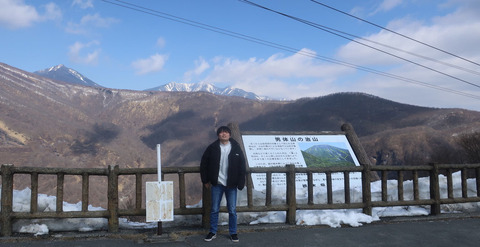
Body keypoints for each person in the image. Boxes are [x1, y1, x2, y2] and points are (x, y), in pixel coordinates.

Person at [200, 125, 246, 243]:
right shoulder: (212, 147)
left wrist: (241, 182)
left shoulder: (236, 148)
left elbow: (242, 166)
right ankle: (212, 231)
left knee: (232, 210)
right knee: (214, 209)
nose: (223, 134)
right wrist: (205, 180)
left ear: (230, 135)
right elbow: (204, 164)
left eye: (226, 132)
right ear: (218, 135)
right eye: (221, 132)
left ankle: (233, 232)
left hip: (232, 184)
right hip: (217, 183)